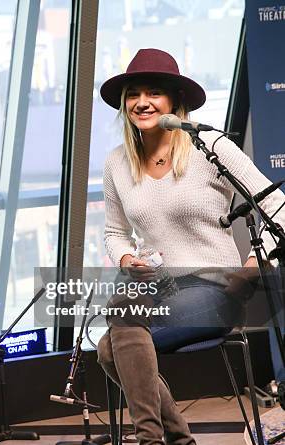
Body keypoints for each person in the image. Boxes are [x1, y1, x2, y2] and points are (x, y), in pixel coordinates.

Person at [95, 48, 285, 445]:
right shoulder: (116, 163)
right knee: (110, 348)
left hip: (215, 290)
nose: (141, 102)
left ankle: (152, 439)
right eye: (133, 94)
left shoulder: (210, 147)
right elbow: (114, 233)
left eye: (153, 93)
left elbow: (276, 207)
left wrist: (252, 265)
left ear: (174, 102)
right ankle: (179, 439)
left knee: (119, 335)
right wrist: (128, 258)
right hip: (160, 289)